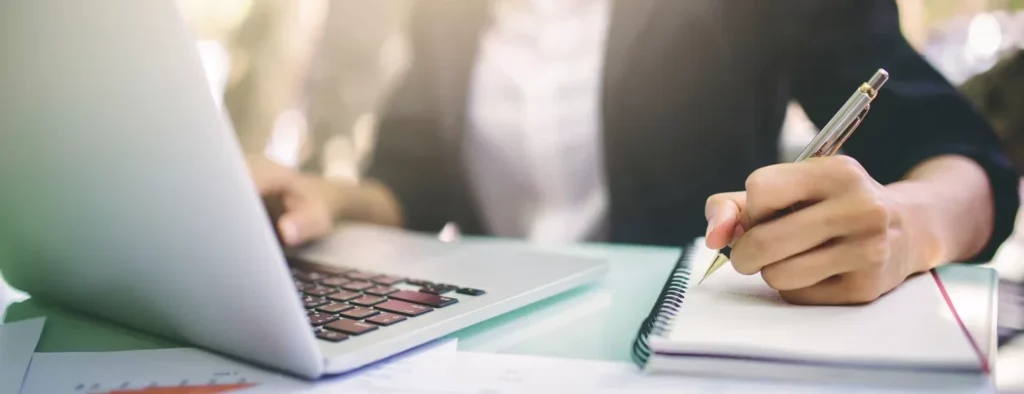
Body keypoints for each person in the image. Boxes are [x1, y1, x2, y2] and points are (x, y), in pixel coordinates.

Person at [251, 0, 1020, 305]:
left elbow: (960, 156)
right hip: (492, 345)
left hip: (691, 343)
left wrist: (907, 225)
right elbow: (415, 181)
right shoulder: (448, 11)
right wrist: (329, 198)